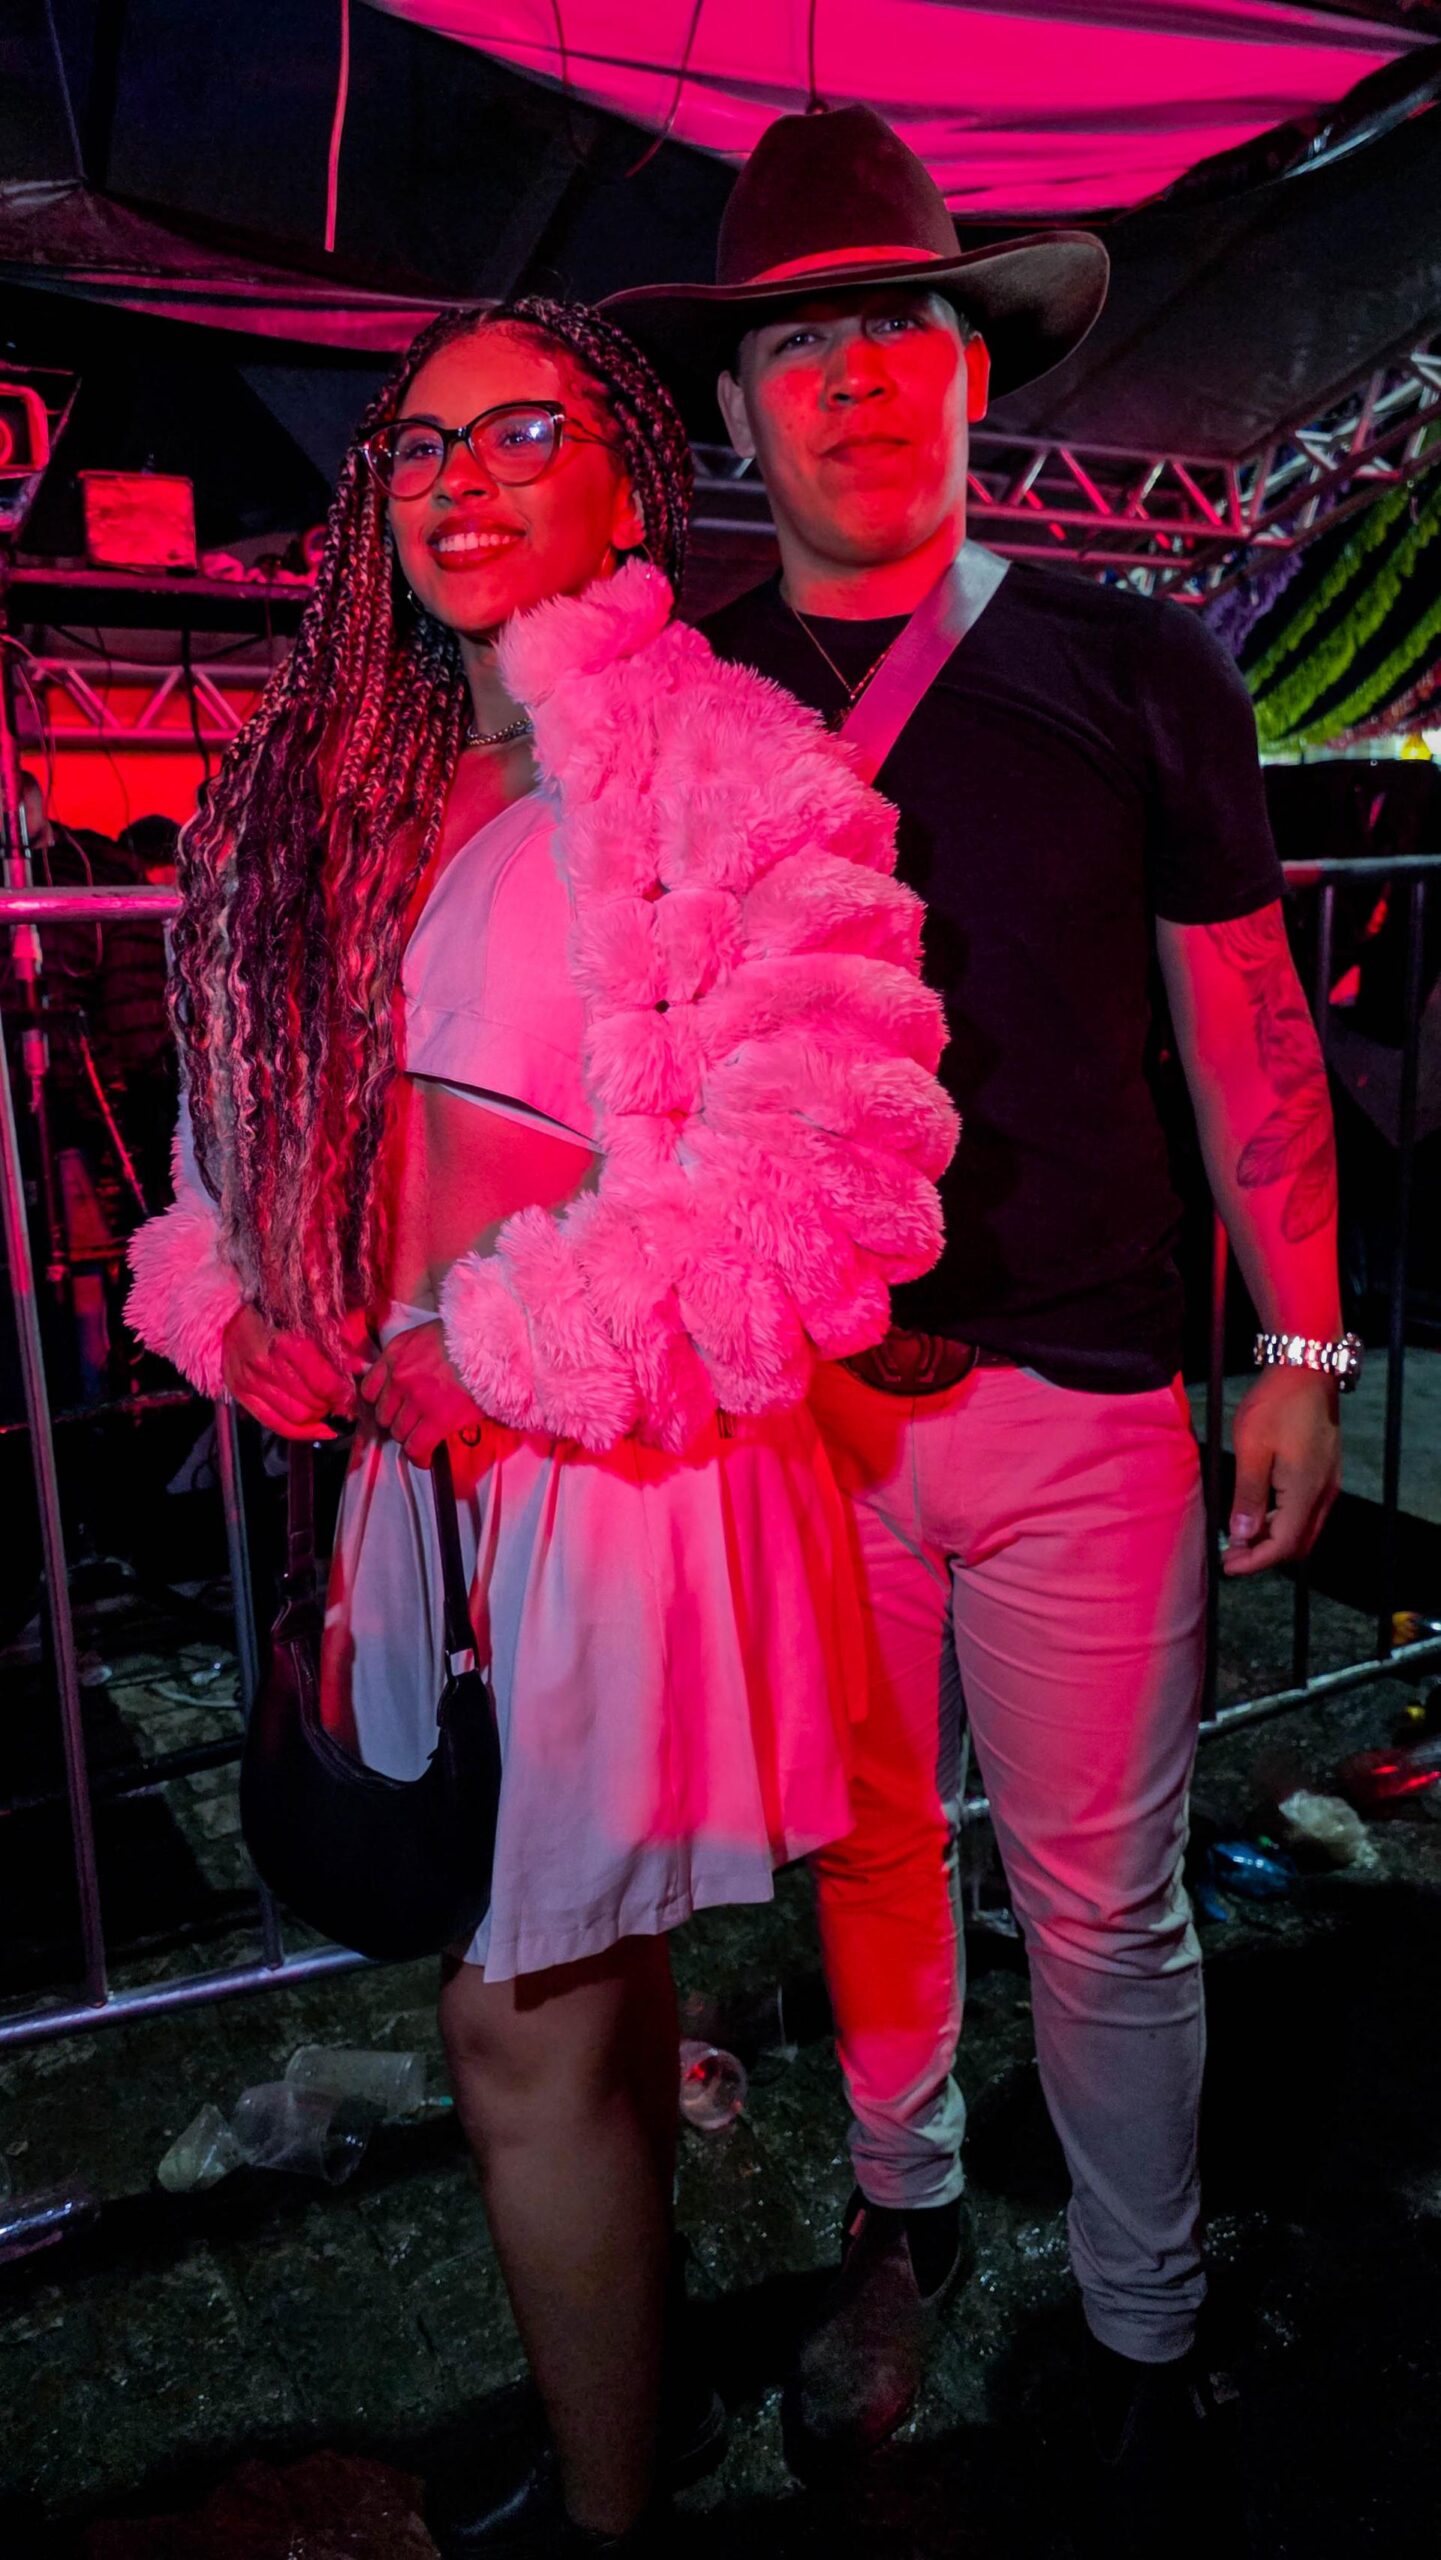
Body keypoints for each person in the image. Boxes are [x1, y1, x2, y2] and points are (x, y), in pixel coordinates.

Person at [127, 294, 955, 2556]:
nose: (460, 480)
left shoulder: (729, 766)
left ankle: (605, 2515)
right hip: (411, 1464)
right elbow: (229, 1150)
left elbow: (833, 1172)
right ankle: (634, 2424)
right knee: (580, 1993)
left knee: (515, 2024)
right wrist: (240, 1305)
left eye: (522, 433)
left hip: (603, 1465)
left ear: (628, 474)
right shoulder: (341, 785)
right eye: (418, 446)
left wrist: (501, 1345)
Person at [608, 105, 1348, 2544]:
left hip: (1087, 1401)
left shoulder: (1133, 661)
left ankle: (1142, 2322)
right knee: (861, 1849)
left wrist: (1303, 1352)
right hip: (804, 1412)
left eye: (894, 325)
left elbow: (1246, 1027)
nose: (849, 372)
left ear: (966, 367)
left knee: (1104, 1900)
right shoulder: (685, 699)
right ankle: (903, 2206)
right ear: (739, 409)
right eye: (796, 341)